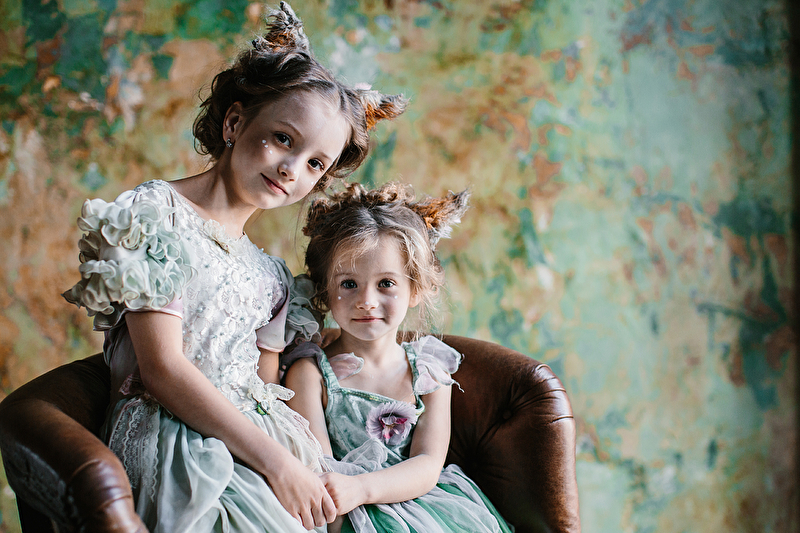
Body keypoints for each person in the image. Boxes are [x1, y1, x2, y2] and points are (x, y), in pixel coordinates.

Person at [61, 3, 406, 532]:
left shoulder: (270, 276)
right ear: (235, 122)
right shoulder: (156, 216)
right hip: (179, 439)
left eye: (315, 163)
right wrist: (279, 467)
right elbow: (163, 370)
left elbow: (265, 389)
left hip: (261, 441)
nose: (291, 169)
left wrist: (298, 459)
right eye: (284, 139)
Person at [284, 182, 513, 533]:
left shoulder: (430, 373)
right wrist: (346, 503)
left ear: (415, 289)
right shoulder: (310, 373)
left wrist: (363, 488)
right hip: (338, 510)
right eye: (349, 284)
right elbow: (316, 468)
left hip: (419, 507)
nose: (367, 301)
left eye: (386, 283)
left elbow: (427, 463)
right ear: (325, 291)